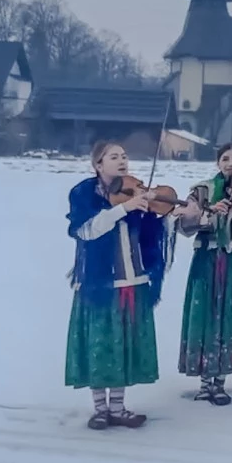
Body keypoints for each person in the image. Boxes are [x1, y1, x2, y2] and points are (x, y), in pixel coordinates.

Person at [65, 141, 189, 429]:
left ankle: (118, 408)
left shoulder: (135, 190)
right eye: (113, 156)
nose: (122, 160)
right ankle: (100, 409)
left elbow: (149, 232)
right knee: (100, 343)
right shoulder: (84, 193)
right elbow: (87, 230)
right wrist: (125, 208)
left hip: (133, 278)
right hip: (98, 281)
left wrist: (170, 215)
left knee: (123, 345)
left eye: (124, 155)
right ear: (98, 164)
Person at [177, 143, 232, 405]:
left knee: (231, 315)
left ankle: (221, 381)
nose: (231, 163)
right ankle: (204, 381)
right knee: (205, 315)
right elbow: (184, 225)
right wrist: (207, 215)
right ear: (217, 163)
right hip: (206, 259)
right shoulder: (202, 190)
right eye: (225, 159)